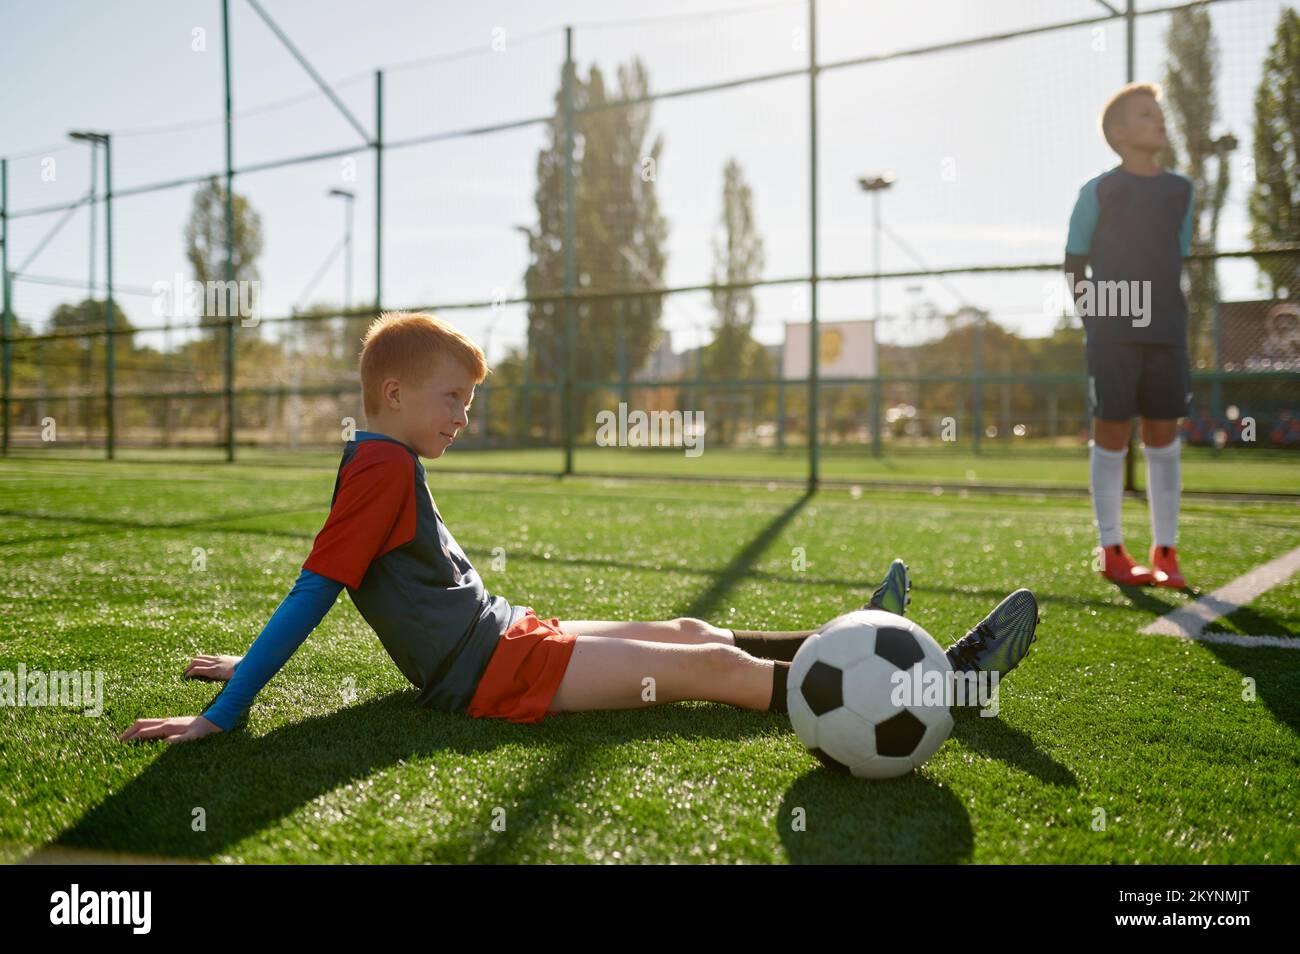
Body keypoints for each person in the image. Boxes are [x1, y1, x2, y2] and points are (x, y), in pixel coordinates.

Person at [118, 313, 1039, 744]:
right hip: (488, 674)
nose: (463, 417)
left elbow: (341, 578)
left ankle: (860, 638)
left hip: (505, 634)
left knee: (691, 633)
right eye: (453, 399)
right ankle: (936, 682)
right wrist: (228, 709)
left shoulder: (373, 458)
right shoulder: (383, 465)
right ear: (392, 394)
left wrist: (247, 661)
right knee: (713, 673)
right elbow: (319, 587)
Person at [1064, 82, 1194, 589]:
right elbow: (1075, 261)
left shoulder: (1180, 189)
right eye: (1145, 115)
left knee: (1163, 436)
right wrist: (1096, 319)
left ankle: (1166, 550)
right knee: (1112, 432)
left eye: (1159, 113)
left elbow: (1176, 254)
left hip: (1166, 330)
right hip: (1111, 332)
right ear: (1117, 133)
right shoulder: (1098, 190)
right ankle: (1112, 549)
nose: (1158, 120)